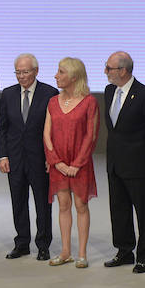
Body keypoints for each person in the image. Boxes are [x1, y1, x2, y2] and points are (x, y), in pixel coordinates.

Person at [0, 53, 58, 261]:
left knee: (42, 203)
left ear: (36, 71)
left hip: (40, 159)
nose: (21, 76)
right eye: (18, 72)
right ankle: (22, 243)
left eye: (25, 72)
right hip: (14, 158)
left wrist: (52, 158)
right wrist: (2, 155)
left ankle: (43, 245)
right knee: (18, 202)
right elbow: (2, 128)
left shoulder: (49, 93)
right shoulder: (8, 93)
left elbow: (54, 131)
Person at [102, 51, 145, 273]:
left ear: (123, 71)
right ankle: (124, 251)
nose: (105, 72)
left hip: (138, 163)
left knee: (143, 212)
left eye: (109, 68)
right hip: (115, 162)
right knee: (119, 209)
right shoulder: (108, 91)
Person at [44, 57, 99, 268]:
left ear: (74, 77)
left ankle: (82, 254)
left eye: (61, 72)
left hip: (80, 164)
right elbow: (46, 135)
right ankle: (65, 251)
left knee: (81, 205)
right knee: (63, 205)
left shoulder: (89, 102)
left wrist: (76, 164)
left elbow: (91, 136)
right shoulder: (52, 102)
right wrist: (57, 162)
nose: (56, 76)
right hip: (58, 163)